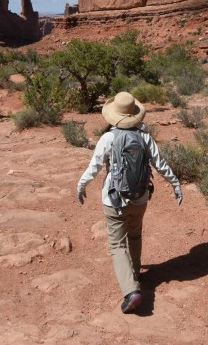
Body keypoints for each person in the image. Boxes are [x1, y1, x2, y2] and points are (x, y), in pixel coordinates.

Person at [76, 91, 182, 314]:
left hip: (114, 198)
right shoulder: (145, 137)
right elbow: (160, 165)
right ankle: (134, 276)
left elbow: (94, 167)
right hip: (140, 197)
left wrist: (81, 185)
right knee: (135, 236)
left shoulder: (108, 138)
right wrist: (175, 184)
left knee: (117, 245)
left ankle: (131, 291)